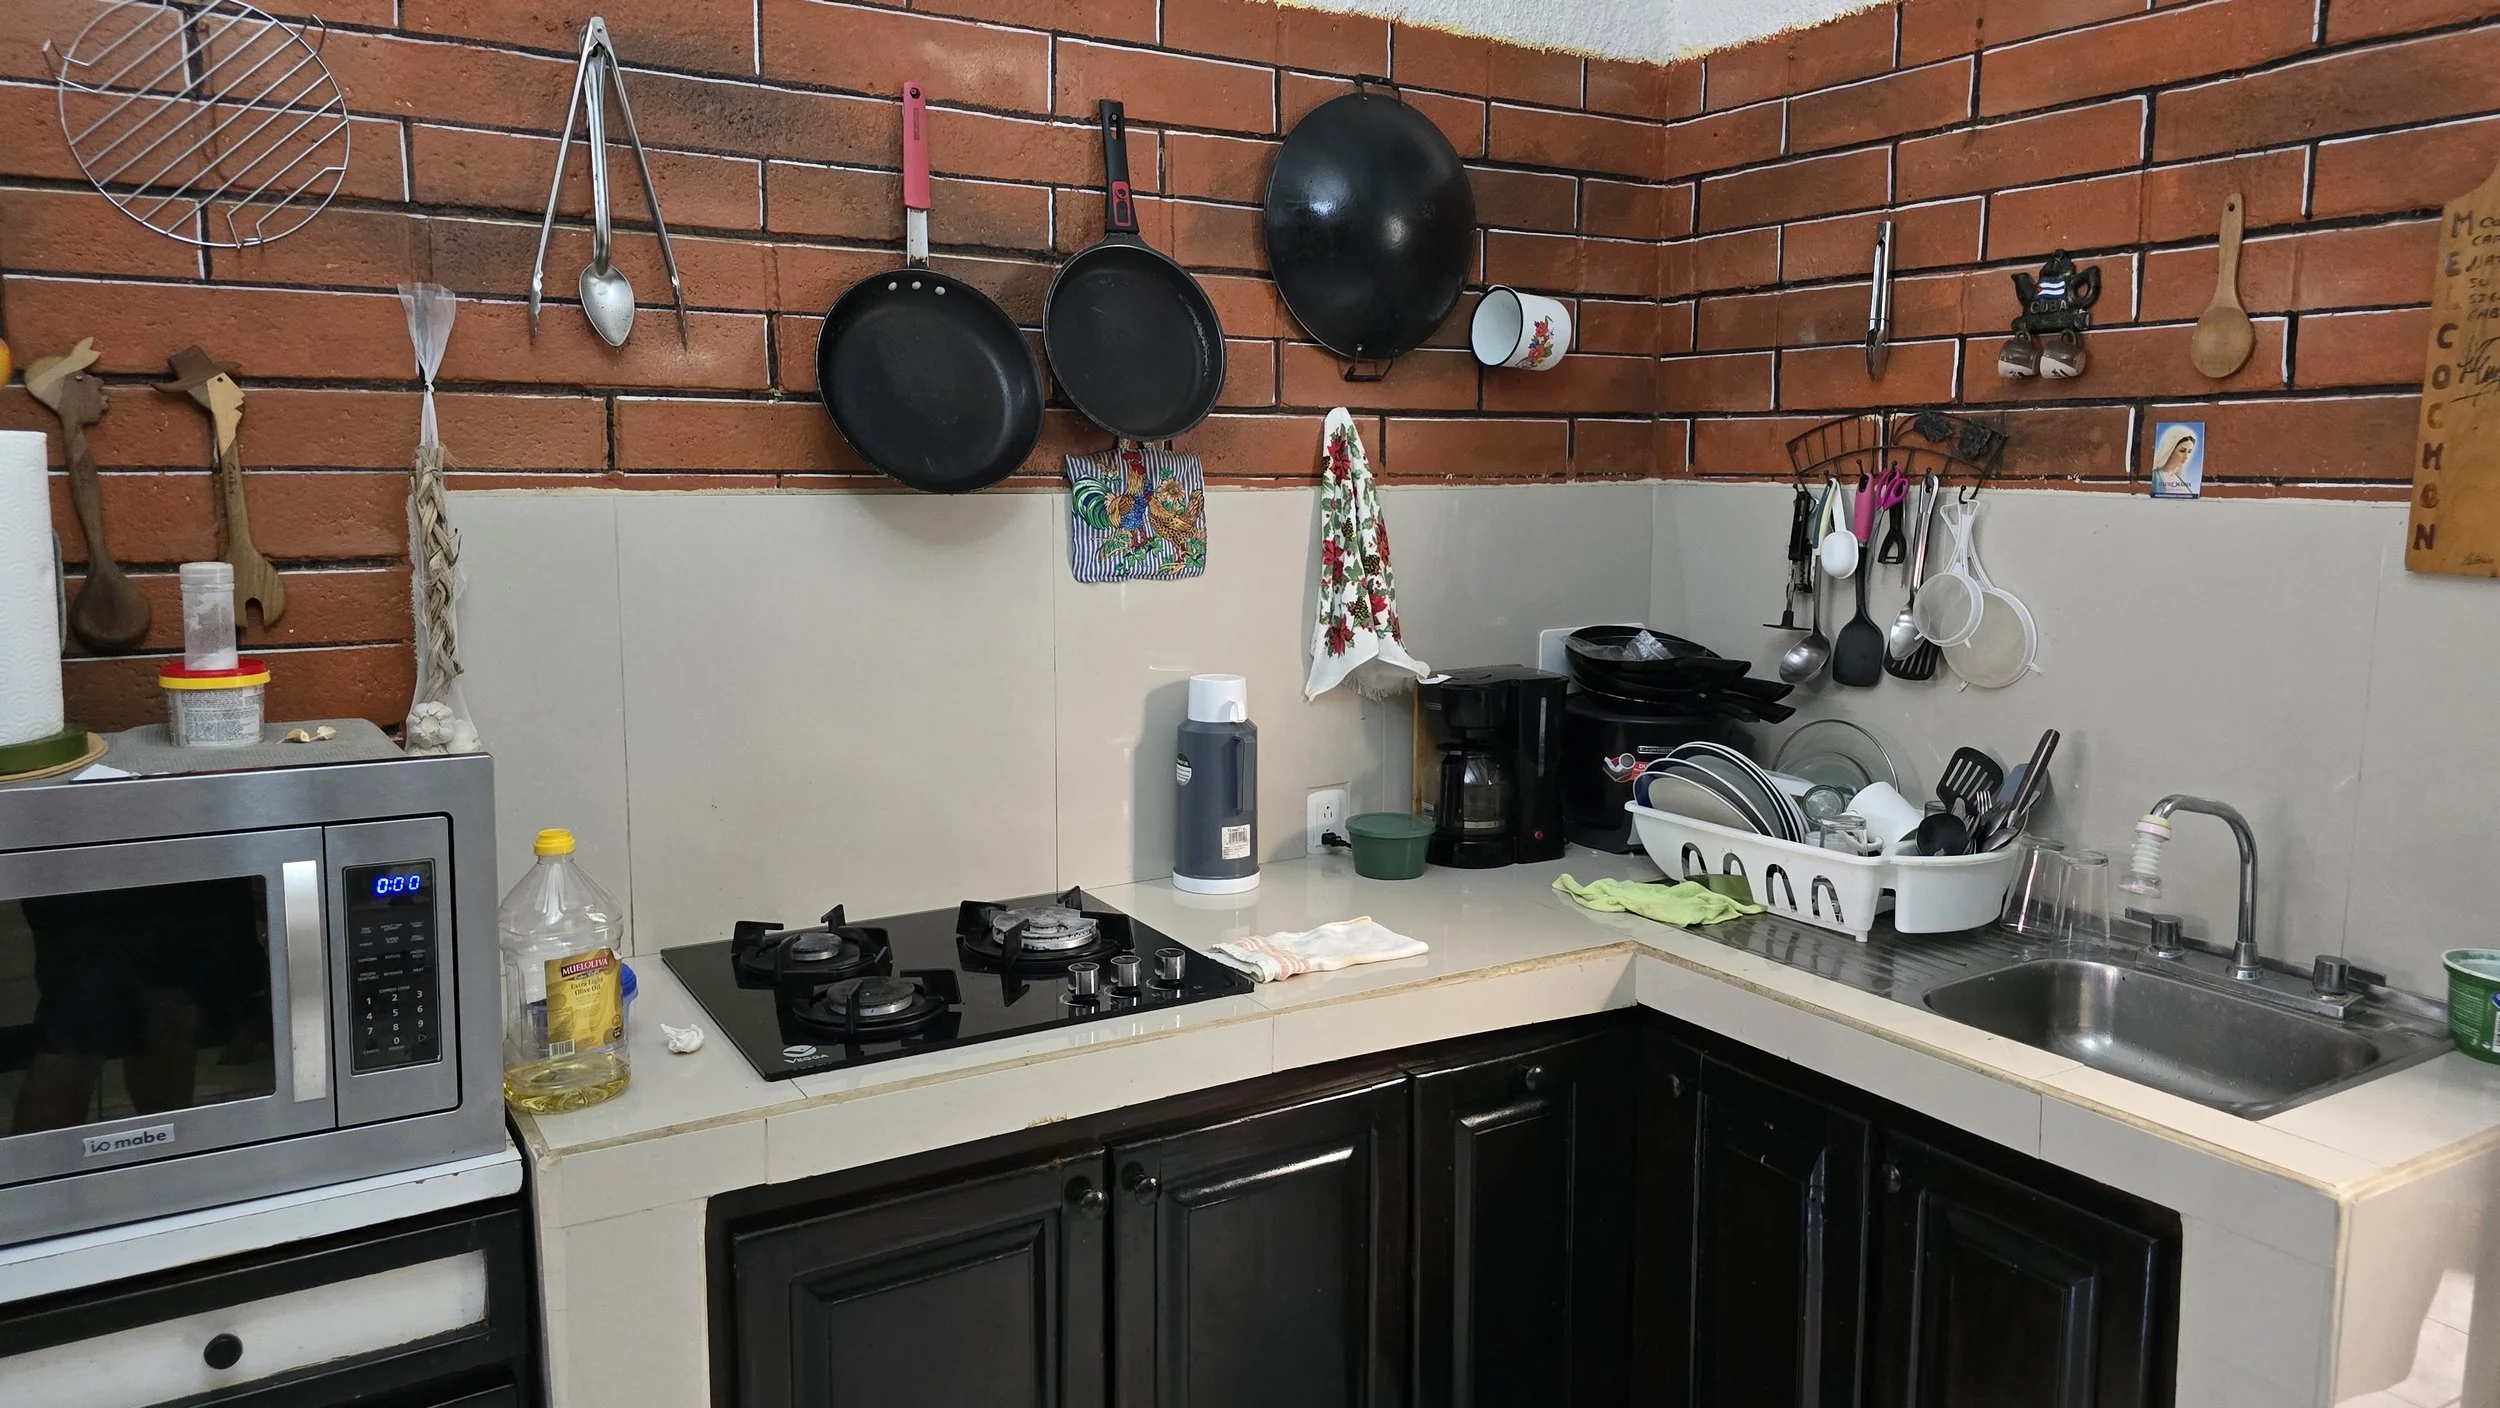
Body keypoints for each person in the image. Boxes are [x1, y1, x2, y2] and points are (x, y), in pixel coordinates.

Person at [2152, 426, 2201, 497]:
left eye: (2189, 452)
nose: (2186, 457)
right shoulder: (2155, 477)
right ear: (2170, 450)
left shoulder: (2179, 479)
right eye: (2182, 451)